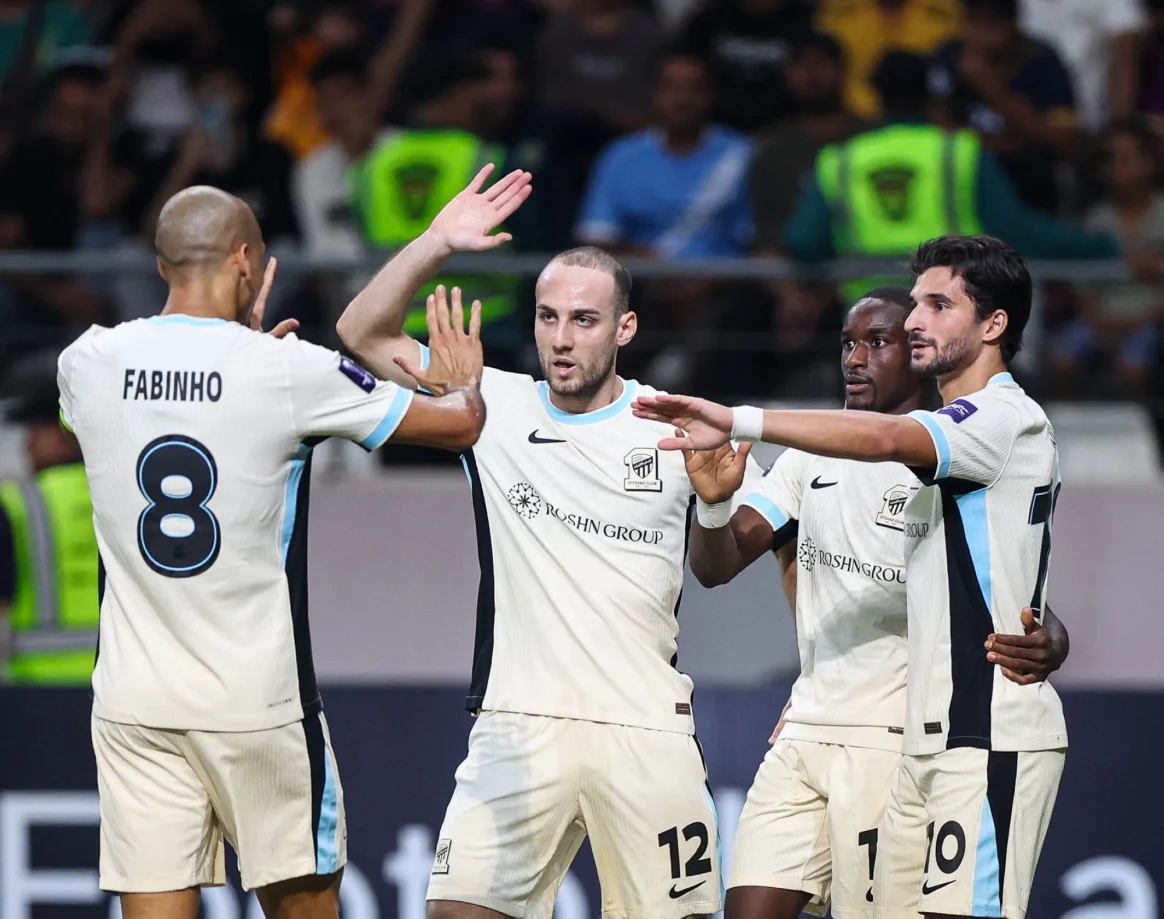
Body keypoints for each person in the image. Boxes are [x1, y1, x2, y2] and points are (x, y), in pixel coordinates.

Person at [338, 166, 763, 919]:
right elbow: (360, 333)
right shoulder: (486, 404)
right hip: (517, 725)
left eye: (584, 320)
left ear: (625, 329)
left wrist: (714, 504)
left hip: (644, 727)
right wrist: (436, 242)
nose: (561, 339)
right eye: (547, 317)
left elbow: (719, 567)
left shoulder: (677, 422)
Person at [57, 184, 490, 917]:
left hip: (135, 702)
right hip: (258, 706)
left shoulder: (87, 361)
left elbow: (167, 405)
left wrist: (237, 355)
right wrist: (465, 383)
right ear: (245, 261)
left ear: (162, 265)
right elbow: (459, 426)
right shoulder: (290, 371)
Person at [633, 235, 1068, 919]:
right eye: (849, 342)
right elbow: (993, 572)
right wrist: (713, 503)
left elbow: (893, 442)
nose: (915, 324)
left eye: (936, 306)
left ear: (993, 324)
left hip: (960, 731)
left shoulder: (988, 424)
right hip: (900, 737)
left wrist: (740, 417)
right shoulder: (861, 457)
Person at [782, 51, 1120, 304]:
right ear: (931, 95)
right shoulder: (961, 150)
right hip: (949, 313)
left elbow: (804, 241)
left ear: (876, 96)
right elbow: (1016, 230)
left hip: (871, 318)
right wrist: (1101, 246)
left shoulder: (840, 159)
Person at [0, 367, 100, 684]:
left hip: (38, 687)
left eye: (35, 429)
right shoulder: (123, 496)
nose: (26, 445)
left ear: (66, 431)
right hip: (117, 686)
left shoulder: (19, 503)